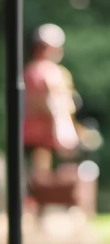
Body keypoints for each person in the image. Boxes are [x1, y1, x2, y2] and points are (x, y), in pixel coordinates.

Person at [23, 24, 80, 173]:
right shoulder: (50, 73)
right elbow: (55, 106)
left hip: (33, 137)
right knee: (45, 180)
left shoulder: (29, 71)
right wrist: (67, 135)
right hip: (47, 139)